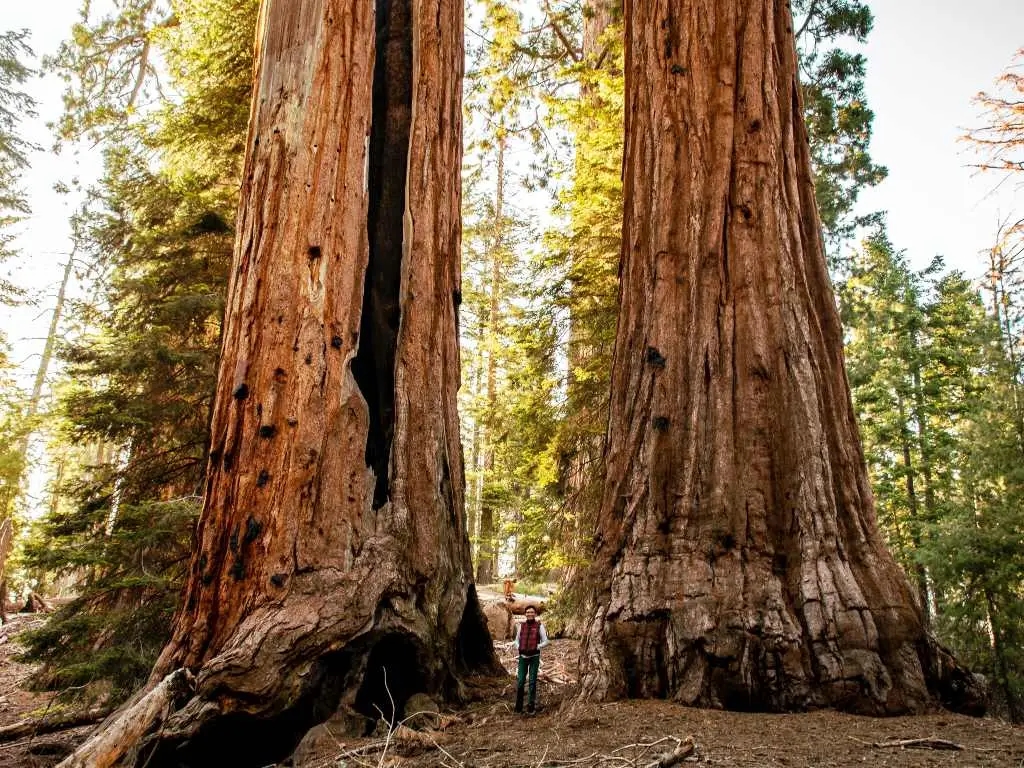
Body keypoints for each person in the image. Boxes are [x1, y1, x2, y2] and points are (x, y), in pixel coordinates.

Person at [512, 605, 548, 714]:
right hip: (523, 658)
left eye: (532, 612)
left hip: (534, 658)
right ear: (525, 614)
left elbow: (546, 641)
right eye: (528, 612)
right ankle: (518, 707)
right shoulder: (521, 626)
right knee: (521, 681)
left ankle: (531, 706)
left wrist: (538, 646)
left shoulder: (539, 626)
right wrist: (518, 647)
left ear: (535, 614)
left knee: (532, 681)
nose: (530, 614)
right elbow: (516, 640)